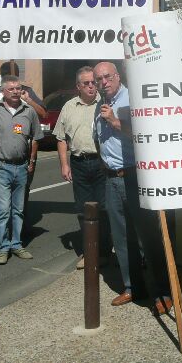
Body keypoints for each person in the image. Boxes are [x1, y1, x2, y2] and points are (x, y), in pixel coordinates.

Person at [93, 61, 172, 315]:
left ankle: (163, 290)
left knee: (148, 235)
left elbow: (145, 135)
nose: (103, 83)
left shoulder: (133, 99)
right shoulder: (100, 105)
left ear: (117, 76)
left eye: (106, 77)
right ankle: (133, 286)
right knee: (122, 237)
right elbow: (99, 140)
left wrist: (115, 121)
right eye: (98, 80)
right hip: (111, 178)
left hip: (136, 175)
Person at [0, 74, 43, 264]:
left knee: (19, 209)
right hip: (0, 166)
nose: (15, 92)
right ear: (2, 91)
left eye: (18, 88)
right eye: (11, 89)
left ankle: (16, 244)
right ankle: (3, 247)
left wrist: (31, 161)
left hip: (21, 166)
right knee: (3, 209)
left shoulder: (29, 111)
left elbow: (36, 138)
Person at [54, 66, 111, 269]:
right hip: (79, 164)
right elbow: (61, 138)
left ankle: (105, 252)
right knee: (83, 210)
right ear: (77, 86)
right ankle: (90, 253)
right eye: (86, 83)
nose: (91, 86)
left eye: (93, 82)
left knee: (104, 209)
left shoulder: (105, 104)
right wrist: (64, 164)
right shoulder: (69, 107)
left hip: (101, 164)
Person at [0, 61, 46, 234]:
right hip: (0, 157)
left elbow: (43, 113)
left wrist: (28, 100)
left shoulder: (26, 92)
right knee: (4, 200)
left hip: (25, 156)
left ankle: (18, 231)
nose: (14, 90)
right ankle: (6, 234)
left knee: (21, 195)